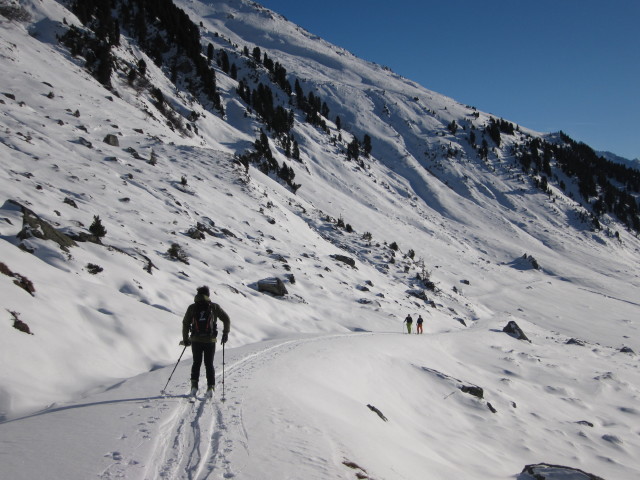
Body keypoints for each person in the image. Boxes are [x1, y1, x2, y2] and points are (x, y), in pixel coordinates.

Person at [182, 286, 230, 398]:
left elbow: (185, 323)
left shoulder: (192, 307)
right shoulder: (214, 307)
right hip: (210, 340)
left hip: (196, 340)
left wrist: (185, 339)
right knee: (209, 364)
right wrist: (225, 333)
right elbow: (226, 319)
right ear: (208, 295)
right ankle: (211, 387)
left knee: (196, 362)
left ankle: (194, 387)